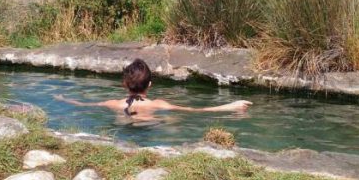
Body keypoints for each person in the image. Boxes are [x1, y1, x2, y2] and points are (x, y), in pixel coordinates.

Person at [53, 58, 251, 122]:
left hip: (123, 130)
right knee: (173, 121)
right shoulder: (158, 104)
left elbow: (81, 104)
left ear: (124, 84)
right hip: (151, 127)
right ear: (150, 84)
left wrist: (61, 98)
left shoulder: (112, 104)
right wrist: (231, 105)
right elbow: (197, 111)